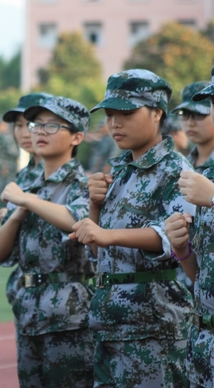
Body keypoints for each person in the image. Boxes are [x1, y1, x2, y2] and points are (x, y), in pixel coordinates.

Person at [70, 69, 195, 387]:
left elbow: (174, 237)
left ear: (156, 113)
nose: (115, 123)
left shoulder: (174, 169)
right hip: (109, 324)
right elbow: (99, 250)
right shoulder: (121, 170)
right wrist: (95, 206)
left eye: (126, 113)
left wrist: (108, 234)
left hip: (152, 326)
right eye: (110, 114)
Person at [0, 96, 94, 387]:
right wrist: (16, 215)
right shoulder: (27, 184)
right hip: (28, 309)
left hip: (70, 315)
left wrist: (27, 201)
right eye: (36, 125)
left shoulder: (83, 184)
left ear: (76, 137)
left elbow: (76, 220)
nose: (39, 132)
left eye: (52, 126)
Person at [164, 70, 214, 387]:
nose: (190, 122)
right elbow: (203, 278)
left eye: (200, 113)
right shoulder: (195, 171)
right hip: (203, 340)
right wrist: (182, 250)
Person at [0, 92, 52, 224]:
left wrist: (11, 214)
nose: (26, 134)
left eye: (33, 125)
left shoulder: (57, 173)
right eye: (19, 125)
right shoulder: (25, 173)